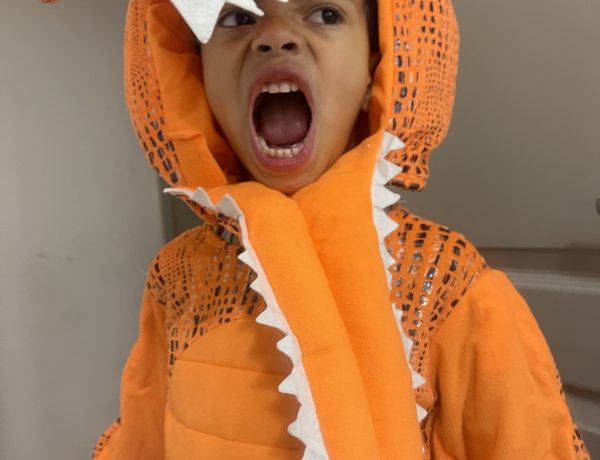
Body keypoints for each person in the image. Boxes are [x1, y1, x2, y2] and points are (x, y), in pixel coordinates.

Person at [44, 0, 587, 457]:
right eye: (236, 17)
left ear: (378, 64)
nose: (276, 36)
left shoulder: (447, 282)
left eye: (325, 12)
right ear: (192, 68)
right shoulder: (177, 277)